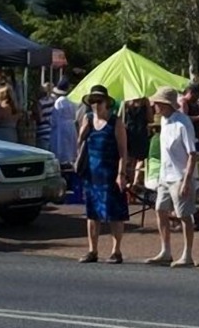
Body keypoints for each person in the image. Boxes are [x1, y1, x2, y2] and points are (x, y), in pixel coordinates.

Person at [146, 87, 199, 268]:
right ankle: (165, 250)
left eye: (157, 103)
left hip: (180, 176)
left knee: (184, 215)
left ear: (166, 104)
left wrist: (187, 180)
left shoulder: (182, 123)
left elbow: (192, 153)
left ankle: (187, 254)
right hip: (165, 175)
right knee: (160, 210)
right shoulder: (164, 121)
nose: (154, 106)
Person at [77, 85, 129, 264]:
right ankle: (92, 250)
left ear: (107, 103)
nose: (96, 105)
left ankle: (116, 250)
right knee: (92, 213)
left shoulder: (116, 122)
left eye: (99, 101)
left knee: (114, 213)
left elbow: (123, 152)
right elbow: (79, 142)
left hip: (110, 172)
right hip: (92, 172)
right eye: (92, 102)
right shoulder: (89, 119)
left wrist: (121, 174)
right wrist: (83, 131)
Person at [123, 97, 152, 187]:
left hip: (129, 133)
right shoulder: (145, 102)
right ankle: (135, 182)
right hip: (141, 133)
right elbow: (151, 119)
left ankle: (129, 182)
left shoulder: (126, 102)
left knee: (130, 159)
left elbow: (122, 120)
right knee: (141, 159)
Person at [48, 81, 78, 166]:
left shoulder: (59, 102)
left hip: (60, 127)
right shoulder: (71, 101)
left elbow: (55, 117)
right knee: (70, 147)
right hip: (71, 125)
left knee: (60, 147)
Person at [34, 82, 57, 151]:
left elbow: (40, 118)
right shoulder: (52, 100)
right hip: (51, 131)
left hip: (42, 132)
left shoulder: (39, 103)